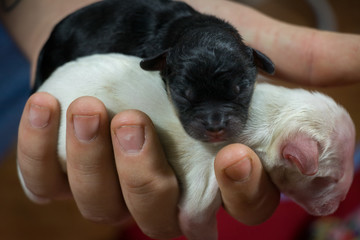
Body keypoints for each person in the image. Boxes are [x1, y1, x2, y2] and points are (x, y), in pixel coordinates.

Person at [1, 0, 359, 239]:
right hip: (60, 57)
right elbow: (195, 214)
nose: (216, 126)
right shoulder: (154, 56)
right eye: (190, 97)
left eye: (236, 93)